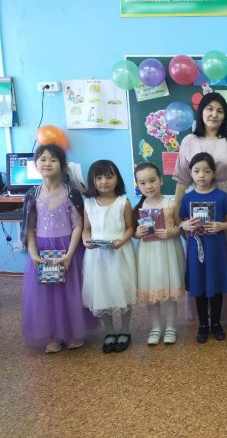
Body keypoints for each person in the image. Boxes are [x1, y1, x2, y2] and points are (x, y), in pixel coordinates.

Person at [172, 92, 227, 325]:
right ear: (201, 112)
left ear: (225, 115)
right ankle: (201, 315)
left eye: (220, 110)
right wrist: (176, 210)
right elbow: (182, 179)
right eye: (210, 109)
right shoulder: (189, 141)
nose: (214, 114)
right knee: (200, 255)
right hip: (195, 202)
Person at [20, 144, 97, 353]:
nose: (47, 163)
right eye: (43, 159)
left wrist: (70, 254)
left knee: (70, 291)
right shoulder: (32, 194)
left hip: (67, 248)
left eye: (53, 160)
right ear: (36, 164)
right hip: (42, 250)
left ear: (62, 165)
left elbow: (78, 225)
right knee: (46, 293)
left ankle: (72, 333)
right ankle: (52, 335)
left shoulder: (72, 193)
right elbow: (29, 226)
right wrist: (33, 253)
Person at [82, 160, 137, 353]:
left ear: (117, 179)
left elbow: (130, 228)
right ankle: (110, 331)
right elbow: (86, 229)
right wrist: (86, 241)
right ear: (92, 180)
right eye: (99, 178)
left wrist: (122, 240)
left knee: (123, 290)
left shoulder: (123, 201)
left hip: (119, 253)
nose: (104, 181)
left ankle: (125, 330)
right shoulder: (88, 203)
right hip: (97, 256)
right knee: (102, 291)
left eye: (109, 177)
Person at [179, 153, 227, 343]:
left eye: (206, 171)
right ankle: (203, 325)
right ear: (190, 173)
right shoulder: (187, 198)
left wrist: (220, 225)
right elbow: (182, 220)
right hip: (196, 248)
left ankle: (216, 323)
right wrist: (185, 225)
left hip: (216, 248)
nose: (201, 175)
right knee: (199, 284)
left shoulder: (221, 196)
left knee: (215, 284)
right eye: (196, 171)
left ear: (213, 173)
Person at [133, 163, 185, 345]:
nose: (148, 186)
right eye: (142, 183)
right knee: (151, 293)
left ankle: (171, 327)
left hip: (168, 251)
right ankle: (155, 328)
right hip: (147, 254)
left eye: (152, 180)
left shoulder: (171, 203)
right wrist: (137, 233)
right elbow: (134, 232)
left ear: (161, 181)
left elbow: (180, 227)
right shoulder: (139, 207)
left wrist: (171, 232)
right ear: (138, 185)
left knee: (169, 292)